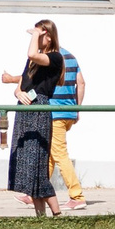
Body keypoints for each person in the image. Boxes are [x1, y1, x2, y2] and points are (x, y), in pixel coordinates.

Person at [0, 24, 64, 217]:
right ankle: (40, 217)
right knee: (26, 165)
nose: (35, 38)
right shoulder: (33, 62)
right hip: (25, 110)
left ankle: (57, 213)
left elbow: (32, 55)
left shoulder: (54, 57)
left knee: (36, 164)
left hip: (39, 110)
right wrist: (19, 94)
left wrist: (35, 34)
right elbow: (20, 87)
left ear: (49, 37)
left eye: (39, 34)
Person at [38, 19, 87, 210]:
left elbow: (33, 80)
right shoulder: (71, 56)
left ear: (48, 37)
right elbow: (81, 83)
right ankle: (37, 192)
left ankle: (77, 195)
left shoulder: (50, 58)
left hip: (55, 112)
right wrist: (77, 108)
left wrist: (11, 80)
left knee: (59, 154)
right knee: (50, 154)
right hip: (68, 112)